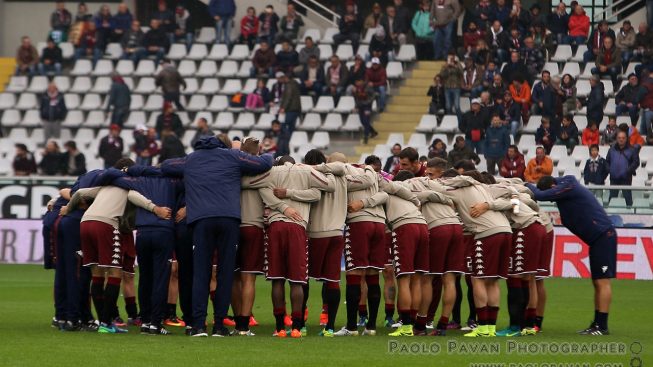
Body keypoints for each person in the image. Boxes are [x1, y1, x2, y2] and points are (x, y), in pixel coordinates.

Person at [161, 134, 273, 337]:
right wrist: (267, 154)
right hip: (229, 219)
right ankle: (220, 325)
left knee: (201, 273)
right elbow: (264, 163)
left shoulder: (191, 159)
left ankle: (198, 325)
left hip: (201, 220)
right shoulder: (232, 156)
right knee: (225, 273)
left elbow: (167, 165)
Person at [61, 161, 172, 334]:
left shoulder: (105, 186)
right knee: (115, 273)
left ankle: (103, 322)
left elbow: (80, 192)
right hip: (106, 225)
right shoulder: (128, 185)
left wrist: (68, 208)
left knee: (97, 274)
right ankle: (106, 323)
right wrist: (156, 209)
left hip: (86, 223)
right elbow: (135, 197)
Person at [527, 175, 617, 335]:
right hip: (597, 239)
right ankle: (597, 324)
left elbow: (540, 195)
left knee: (602, 282)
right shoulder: (564, 196)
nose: (553, 197)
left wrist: (527, 185)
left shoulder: (569, 183)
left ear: (554, 186)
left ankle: (602, 326)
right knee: (597, 282)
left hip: (603, 236)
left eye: (552, 192)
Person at [606, 131, 640, 207]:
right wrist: (610, 170)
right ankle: (609, 214)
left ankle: (631, 215)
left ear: (626, 139)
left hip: (626, 178)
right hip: (614, 178)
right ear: (616, 139)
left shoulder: (632, 150)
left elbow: (636, 162)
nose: (621, 139)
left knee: (628, 198)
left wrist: (628, 171)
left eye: (623, 138)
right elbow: (607, 161)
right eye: (619, 138)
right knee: (612, 198)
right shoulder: (611, 150)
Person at [277, 73, 301, 157]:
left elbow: (288, 97)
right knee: (290, 128)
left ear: (285, 77)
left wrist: (283, 107)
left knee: (285, 128)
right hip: (294, 109)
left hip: (290, 109)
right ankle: (286, 147)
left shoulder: (289, 85)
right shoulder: (294, 84)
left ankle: (285, 148)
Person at [353, 78, 378, 144]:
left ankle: (366, 136)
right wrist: (356, 106)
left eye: (357, 82)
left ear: (361, 81)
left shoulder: (368, 87)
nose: (356, 83)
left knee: (366, 121)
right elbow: (357, 97)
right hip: (361, 106)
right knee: (362, 121)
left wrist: (368, 102)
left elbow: (373, 95)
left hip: (367, 106)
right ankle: (373, 132)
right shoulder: (357, 88)